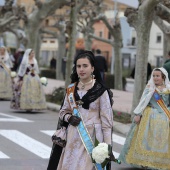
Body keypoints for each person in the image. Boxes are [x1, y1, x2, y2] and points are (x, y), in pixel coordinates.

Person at [47, 50, 114, 170]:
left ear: (92, 68)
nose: (81, 69)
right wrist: (69, 117)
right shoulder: (71, 89)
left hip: (93, 138)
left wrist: (107, 147)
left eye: (85, 66)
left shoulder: (101, 91)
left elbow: (107, 123)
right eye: (78, 66)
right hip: (73, 137)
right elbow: (63, 112)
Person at [119, 67, 170, 169]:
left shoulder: (168, 88)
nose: (155, 78)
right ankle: (143, 161)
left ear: (163, 77)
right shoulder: (150, 88)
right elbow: (143, 102)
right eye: (154, 76)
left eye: (157, 76)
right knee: (146, 139)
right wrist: (138, 114)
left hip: (165, 116)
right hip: (149, 116)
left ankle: (160, 161)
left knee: (161, 140)